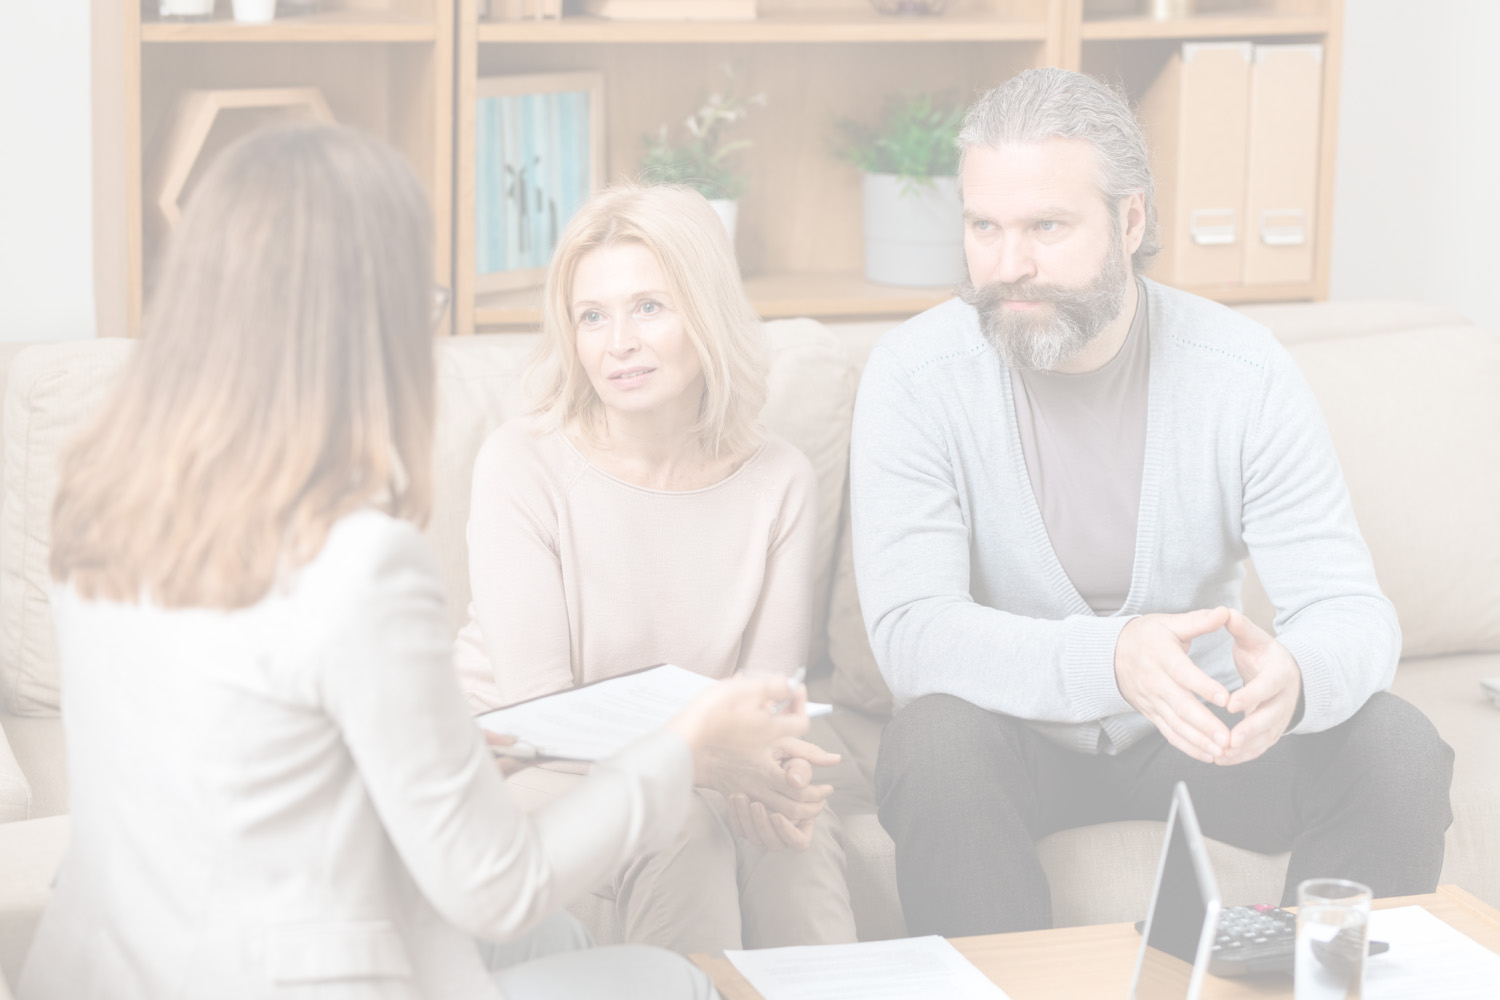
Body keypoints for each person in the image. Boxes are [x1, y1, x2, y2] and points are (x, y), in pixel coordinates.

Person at [19, 124, 808, 1000]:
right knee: (674, 982)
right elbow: (495, 884)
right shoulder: (359, 561)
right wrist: (680, 751)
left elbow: (232, 754)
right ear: (366, 320)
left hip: (110, 970)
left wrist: (443, 751)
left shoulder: (100, 507)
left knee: (567, 936)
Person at [852, 68, 1455, 937]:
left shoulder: (1243, 372)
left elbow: (1350, 609)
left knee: (1396, 746)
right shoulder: (915, 377)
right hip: (1009, 733)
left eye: (1047, 227)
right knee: (934, 743)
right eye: (984, 226)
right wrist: (1113, 658)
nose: (1007, 264)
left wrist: (1299, 677)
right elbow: (914, 633)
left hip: (1203, 731)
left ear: (1130, 222)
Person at [453, 183, 858, 953]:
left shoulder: (779, 479)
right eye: (592, 317)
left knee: (793, 837)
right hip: (527, 766)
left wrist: (762, 773)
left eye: (648, 308)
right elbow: (543, 709)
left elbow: (762, 708)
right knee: (685, 825)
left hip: (691, 763)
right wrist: (706, 762)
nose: (618, 343)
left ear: (704, 314)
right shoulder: (522, 464)